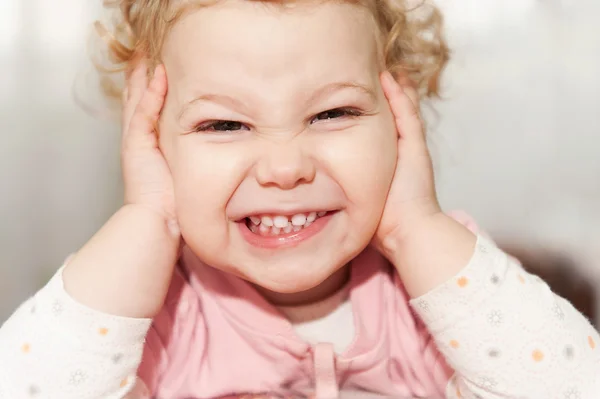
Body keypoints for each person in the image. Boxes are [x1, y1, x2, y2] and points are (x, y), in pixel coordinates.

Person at [1, 0, 598, 398]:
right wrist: (144, 223)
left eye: (332, 113)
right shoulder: (151, 308)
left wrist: (416, 228)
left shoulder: (440, 285)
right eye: (223, 126)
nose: (286, 168)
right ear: (151, 141)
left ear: (398, 118)